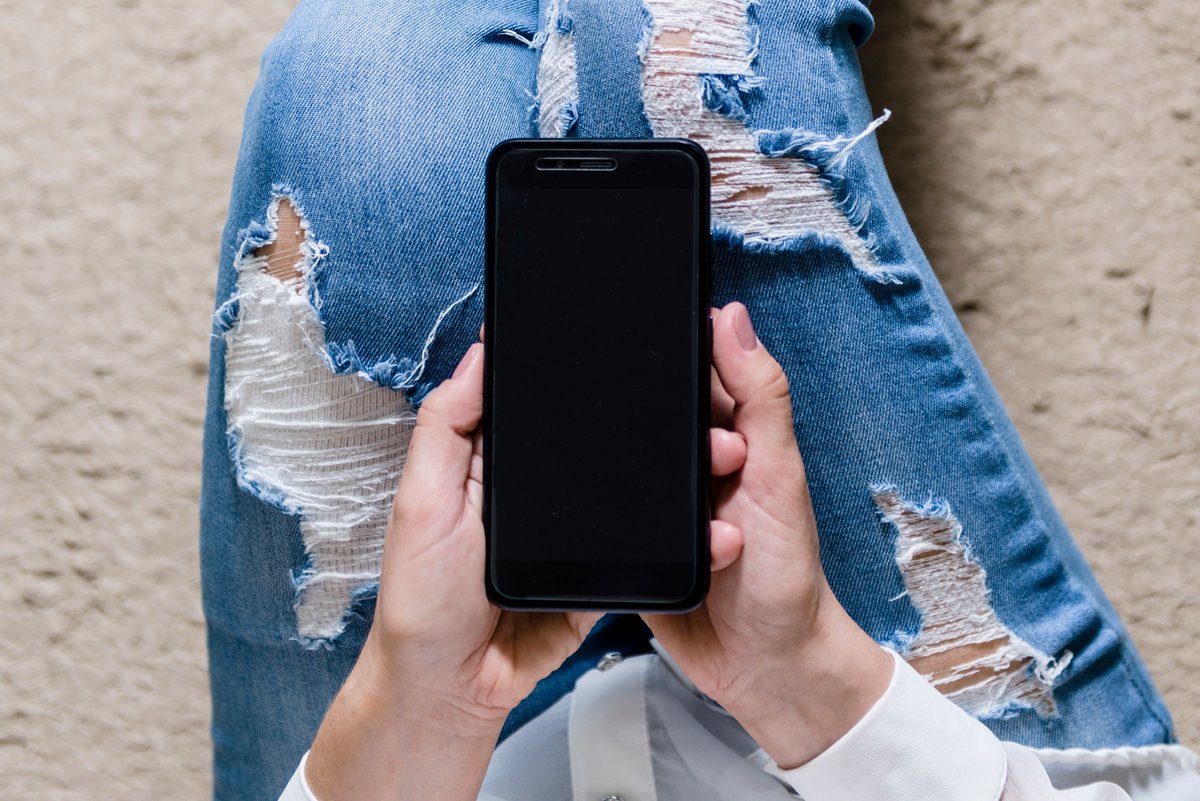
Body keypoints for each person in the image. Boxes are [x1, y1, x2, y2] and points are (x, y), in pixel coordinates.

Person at [199, 1, 1200, 799]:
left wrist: (415, 709)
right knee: (682, 39)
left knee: (360, 60)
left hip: (441, 758)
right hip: (892, 735)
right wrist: (803, 672)